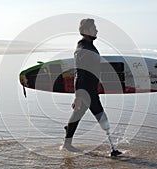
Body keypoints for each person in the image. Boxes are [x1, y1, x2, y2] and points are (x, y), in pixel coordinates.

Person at [61, 19, 121, 156]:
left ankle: (68, 137)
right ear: (86, 31)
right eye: (94, 28)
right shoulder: (83, 50)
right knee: (101, 118)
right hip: (86, 92)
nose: (96, 30)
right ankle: (112, 149)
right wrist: (78, 96)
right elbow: (79, 73)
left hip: (91, 90)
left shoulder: (88, 46)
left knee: (80, 116)